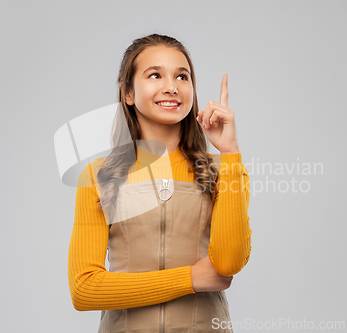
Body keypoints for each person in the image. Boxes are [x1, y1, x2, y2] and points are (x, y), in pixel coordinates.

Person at [68, 33, 251, 333]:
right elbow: (85, 289)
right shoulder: (99, 176)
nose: (171, 87)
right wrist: (190, 278)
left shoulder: (223, 170)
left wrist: (230, 153)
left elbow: (228, 264)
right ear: (128, 93)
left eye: (182, 76)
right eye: (155, 75)